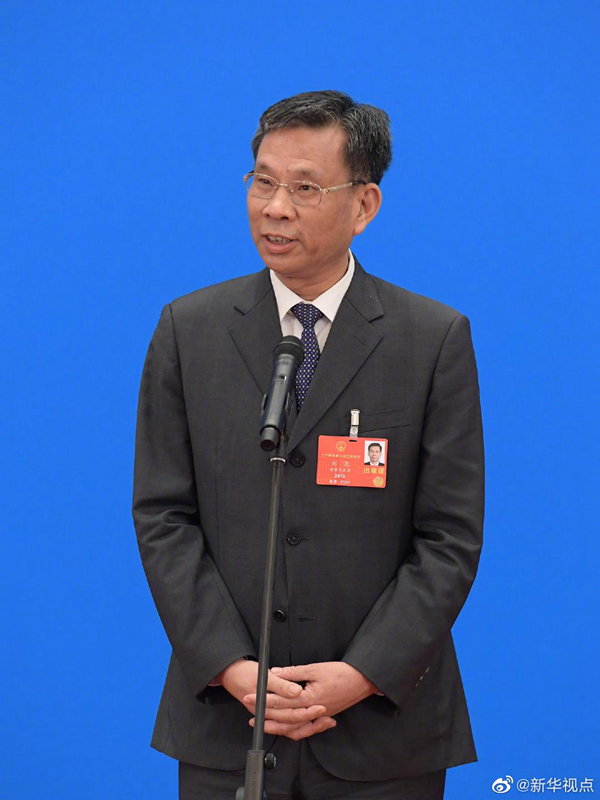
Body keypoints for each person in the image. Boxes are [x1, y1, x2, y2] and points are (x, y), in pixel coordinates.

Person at [132, 90, 484, 800]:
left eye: (304, 188)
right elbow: (163, 516)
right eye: (262, 181)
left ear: (364, 205)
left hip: (382, 735)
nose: (275, 208)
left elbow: (449, 537)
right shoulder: (188, 330)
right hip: (228, 725)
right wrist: (231, 667)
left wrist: (361, 674)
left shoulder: (431, 340)